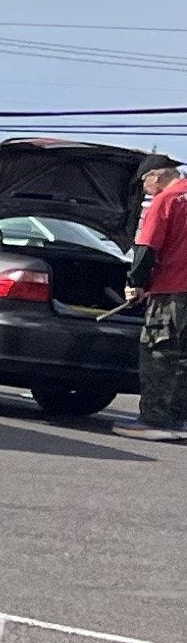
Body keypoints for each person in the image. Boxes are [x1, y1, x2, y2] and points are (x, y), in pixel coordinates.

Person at [138, 151, 187, 441]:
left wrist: (138, 283)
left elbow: (146, 249)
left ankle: (156, 420)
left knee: (160, 354)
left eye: (144, 182)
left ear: (155, 175)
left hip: (172, 290)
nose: (145, 188)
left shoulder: (166, 200)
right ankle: (180, 419)